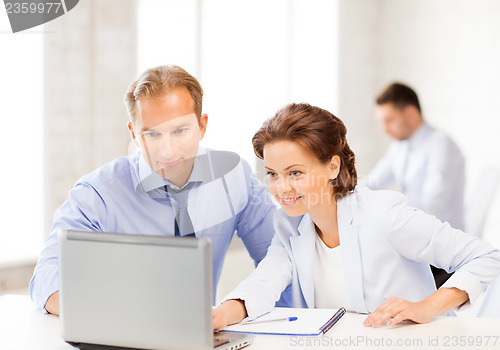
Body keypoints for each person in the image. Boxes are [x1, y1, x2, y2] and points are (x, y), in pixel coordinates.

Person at [212, 103, 500, 330]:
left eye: (295, 173)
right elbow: (264, 281)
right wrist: (217, 317)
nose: (281, 188)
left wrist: (427, 306)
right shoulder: (289, 224)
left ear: (332, 167)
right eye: (272, 174)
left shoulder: (384, 214)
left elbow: (486, 257)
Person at [29, 65, 279, 315]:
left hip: (205, 338)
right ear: (134, 134)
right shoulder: (98, 193)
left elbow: (279, 257)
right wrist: (118, 319)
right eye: (152, 134)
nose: (168, 150)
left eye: (180, 131)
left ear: (202, 126)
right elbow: (48, 278)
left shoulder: (233, 177)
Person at [364, 82, 465, 287]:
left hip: (441, 252)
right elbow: (372, 182)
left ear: (410, 113)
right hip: (415, 241)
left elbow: (433, 205)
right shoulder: (399, 148)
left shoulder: (441, 146)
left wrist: (384, 206)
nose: (384, 129)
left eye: (389, 120)